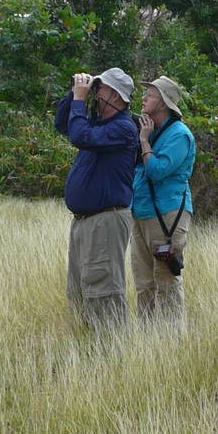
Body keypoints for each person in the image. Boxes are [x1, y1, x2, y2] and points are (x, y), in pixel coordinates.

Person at [54, 67, 139, 333]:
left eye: (98, 88)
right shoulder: (99, 124)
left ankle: (114, 354)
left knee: (103, 293)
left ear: (114, 96)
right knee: (79, 292)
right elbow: (62, 124)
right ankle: (89, 352)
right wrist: (73, 95)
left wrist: (80, 101)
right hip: (85, 222)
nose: (94, 92)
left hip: (106, 220)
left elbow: (80, 136)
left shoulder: (123, 128)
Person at [130, 76, 195, 326]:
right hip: (142, 212)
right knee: (143, 281)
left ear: (164, 104)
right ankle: (148, 342)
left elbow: (156, 171)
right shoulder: (152, 130)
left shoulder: (179, 135)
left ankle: (171, 343)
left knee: (165, 280)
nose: (144, 98)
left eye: (151, 95)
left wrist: (144, 141)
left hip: (167, 216)